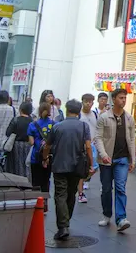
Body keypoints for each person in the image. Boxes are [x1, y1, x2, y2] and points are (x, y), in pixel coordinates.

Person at [44, 99, 94, 241]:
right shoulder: (84, 127)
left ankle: (63, 226)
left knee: (60, 194)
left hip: (59, 165)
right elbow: (88, 147)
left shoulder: (57, 126)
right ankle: (67, 222)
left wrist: (45, 157)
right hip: (76, 165)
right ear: (78, 111)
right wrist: (91, 163)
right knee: (71, 193)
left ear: (66, 110)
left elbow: (47, 145)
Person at [95, 88, 135, 232]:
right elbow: (98, 138)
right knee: (106, 188)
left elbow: (131, 139)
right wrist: (103, 154)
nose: (123, 100)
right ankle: (106, 214)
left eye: (125, 98)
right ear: (113, 99)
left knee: (120, 188)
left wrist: (133, 159)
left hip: (122, 159)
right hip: (106, 159)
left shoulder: (129, 118)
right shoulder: (104, 117)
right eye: (121, 98)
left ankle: (121, 219)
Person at [28, 102, 56, 212]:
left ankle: (36, 202)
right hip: (49, 156)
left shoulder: (32, 125)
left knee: (35, 180)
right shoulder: (54, 124)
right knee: (46, 180)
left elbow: (31, 143)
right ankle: (44, 204)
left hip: (36, 156)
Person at [77, 93, 99, 203]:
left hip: (93, 145)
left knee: (94, 167)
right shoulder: (78, 114)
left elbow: (97, 128)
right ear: (82, 102)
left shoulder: (94, 114)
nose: (89, 104)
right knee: (83, 169)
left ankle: (78, 182)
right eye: (87, 101)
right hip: (81, 145)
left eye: (91, 102)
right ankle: (80, 193)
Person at [5, 101, 33, 177]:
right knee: (26, 165)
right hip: (28, 145)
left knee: (15, 165)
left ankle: (15, 181)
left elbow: (8, 133)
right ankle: (26, 181)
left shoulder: (15, 120)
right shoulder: (32, 122)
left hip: (16, 145)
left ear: (20, 109)